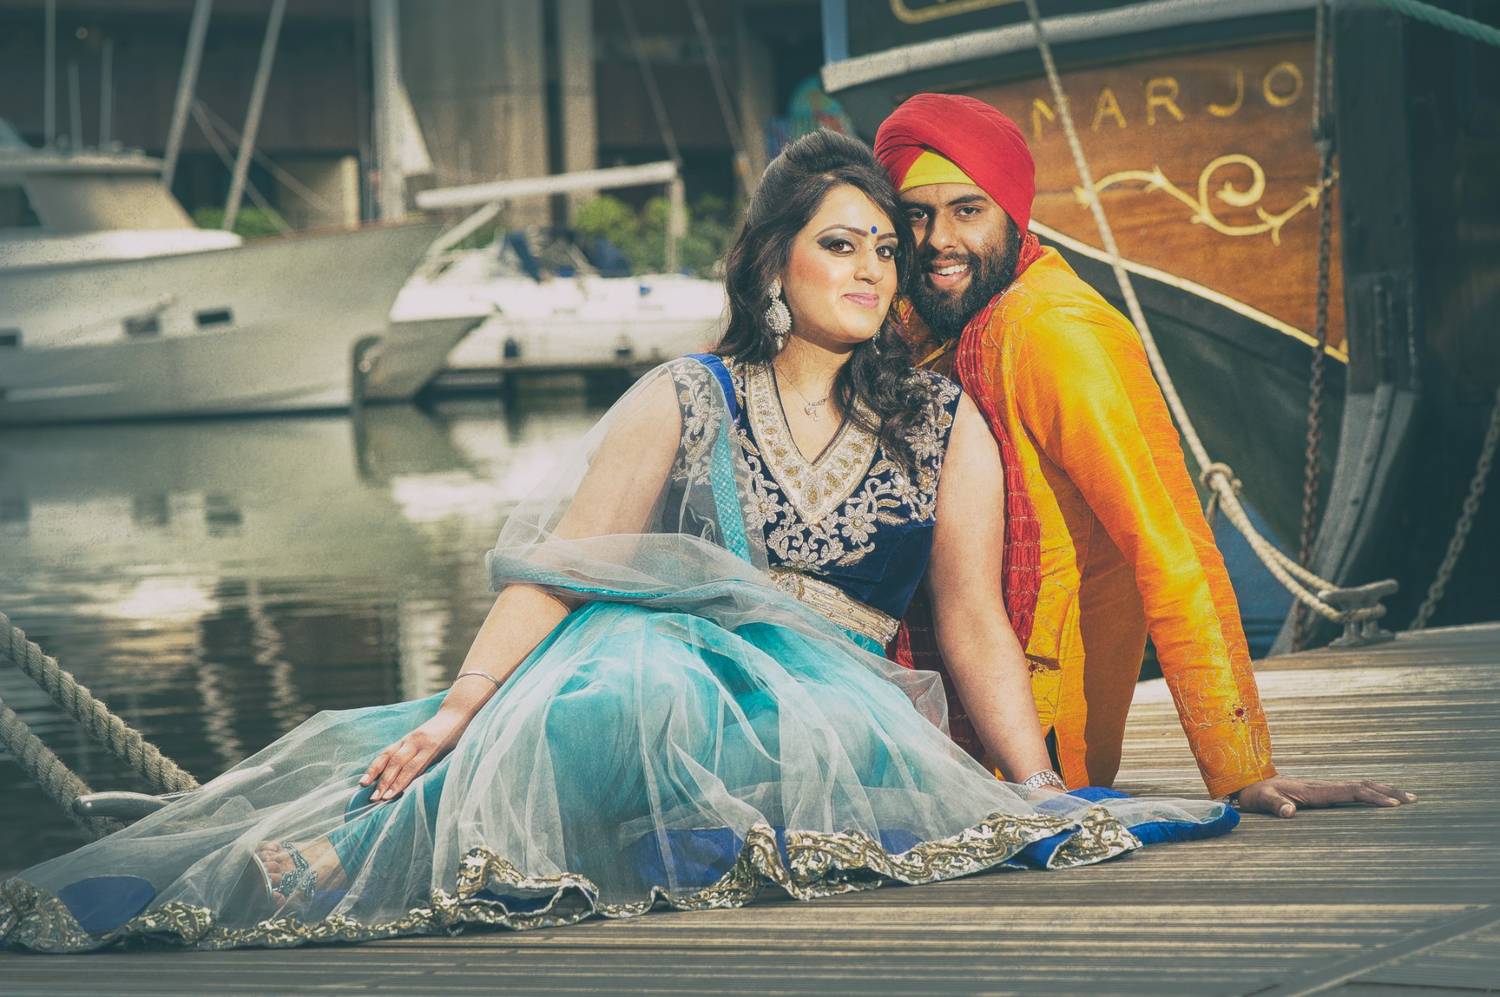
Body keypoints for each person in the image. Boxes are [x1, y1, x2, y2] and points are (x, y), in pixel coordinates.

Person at [1, 132, 1234, 954]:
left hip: (839, 713)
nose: (870, 269)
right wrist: (457, 710)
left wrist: (1027, 793)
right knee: (622, 661)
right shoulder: (683, 396)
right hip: (650, 686)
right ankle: (330, 855)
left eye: (883, 247)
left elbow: (969, 621)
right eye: (838, 243)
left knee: (643, 677)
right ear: (773, 261)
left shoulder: (939, 422)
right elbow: (561, 569)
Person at [873, 93, 1416, 817]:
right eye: (916, 215)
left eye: (968, 210)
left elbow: (1171, 549)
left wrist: (1241, 765)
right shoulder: (921, 324)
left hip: (1032, 751)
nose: (940, 238)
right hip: (931, 714)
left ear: (1012, 213)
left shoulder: (1058, 334)